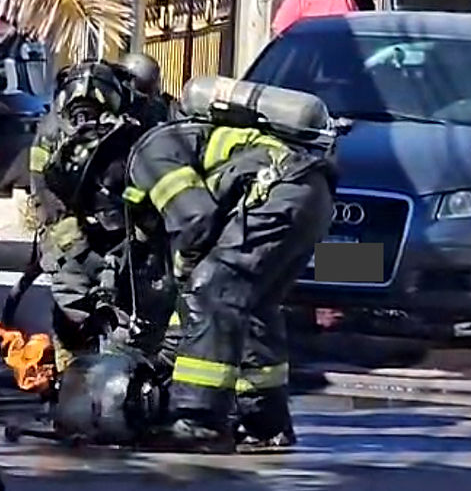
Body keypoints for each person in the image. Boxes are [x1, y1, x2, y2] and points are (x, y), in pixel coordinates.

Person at [121, 77, 339, 453]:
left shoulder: (151, 151)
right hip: (312, 193)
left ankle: (198, 423)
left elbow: (195, 222)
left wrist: (186, 277)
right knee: (255, 307)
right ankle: (266, 424)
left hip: (277, 197)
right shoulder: (194, 136)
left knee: (213, 293)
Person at [21, 56, 167, 375]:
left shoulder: (149, 119)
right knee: (74, 303)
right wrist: (80, 251)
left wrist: (140, 238)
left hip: (126, 226)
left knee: (138, 307)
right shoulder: (54, 131)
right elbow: (46, 200)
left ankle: (127, 377)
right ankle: (71, 380)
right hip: (68, 227)